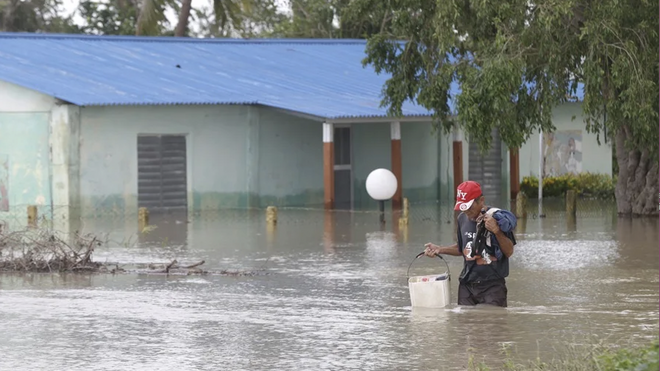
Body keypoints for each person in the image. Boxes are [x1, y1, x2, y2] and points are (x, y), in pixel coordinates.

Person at [424, 181, 517, 307]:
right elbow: (461, 248)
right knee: (465, 324)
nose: (466, 211)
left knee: (494, 324)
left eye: (469, 206)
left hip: (492, 286)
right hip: (466, 285)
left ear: (481, 200)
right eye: (463, 207)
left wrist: (497, 231)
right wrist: (439, 249)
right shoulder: (462, 219)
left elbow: (509, 251)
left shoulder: (497, 219)